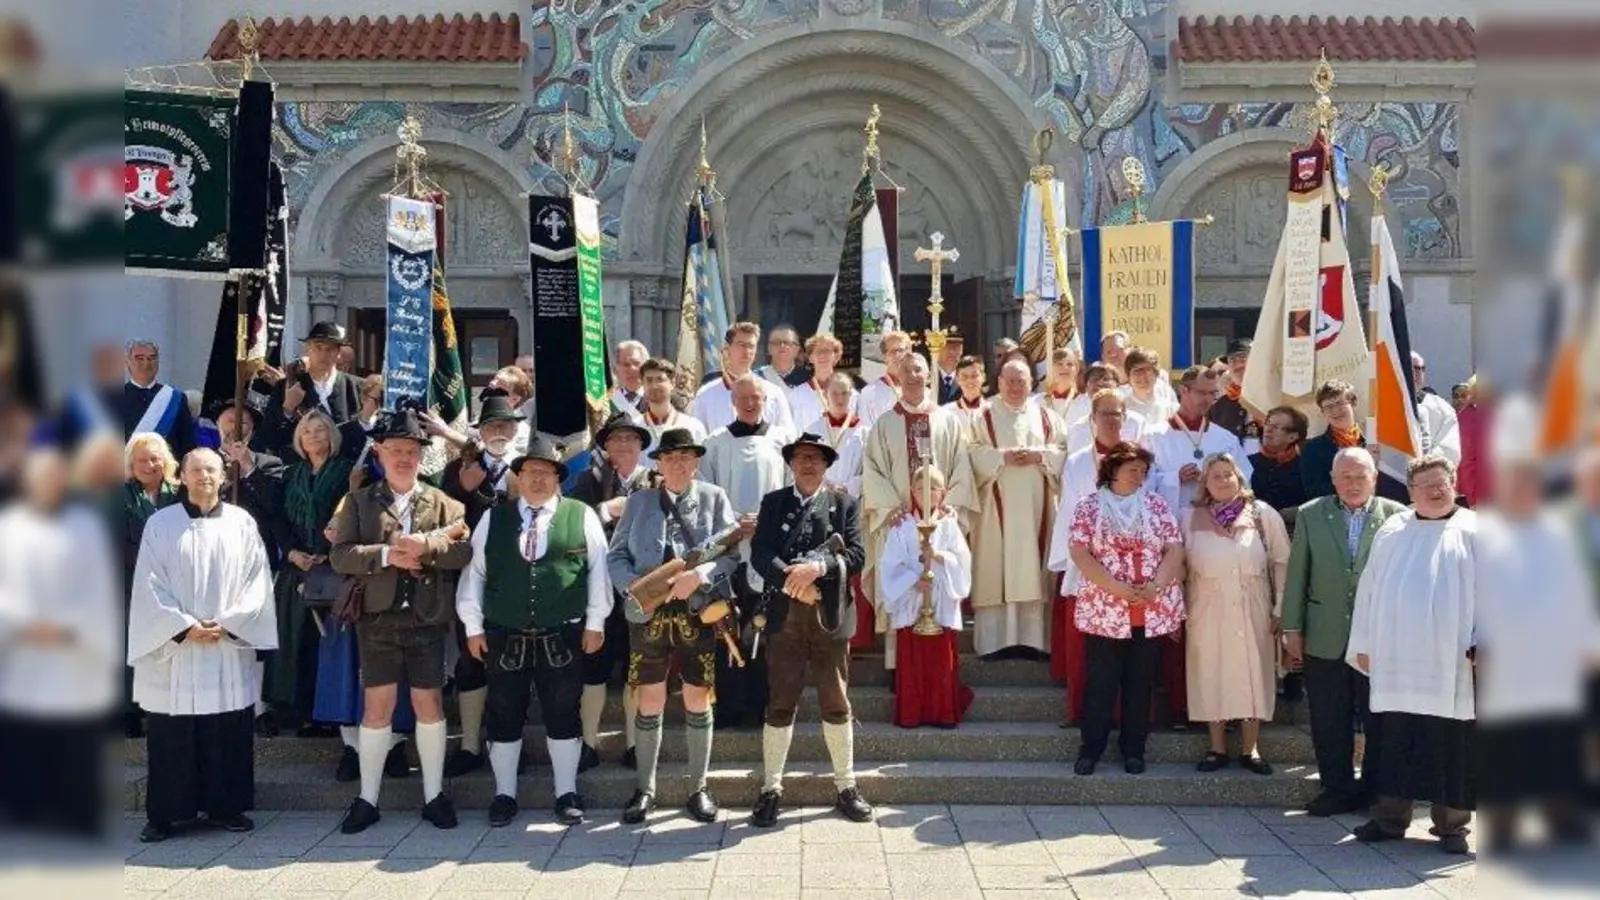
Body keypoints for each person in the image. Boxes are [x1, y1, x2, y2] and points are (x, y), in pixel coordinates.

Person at [455, 436, 612, 827]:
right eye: (530, 472)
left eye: (546, 473)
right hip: (504, 633)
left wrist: (596, 622)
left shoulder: (582, 515)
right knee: (504, 711)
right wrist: (473, 627)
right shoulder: (494, 518)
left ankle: (566, 793)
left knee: (563, 711)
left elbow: (599, 572)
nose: (538, 479)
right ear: (519, 477)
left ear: (558, 478)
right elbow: (473, 575)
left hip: (563, 633)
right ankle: (504, 795)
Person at [330, 410, 472, 835]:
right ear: (379, 453)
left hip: (427, 619)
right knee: (378, 707)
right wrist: (389, 555)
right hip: (375, 619)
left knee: (428, 704)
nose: (404, 458)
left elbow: (463, 553)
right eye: (395, 451)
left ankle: (434, 796)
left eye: (411, 451)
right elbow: (340, 556)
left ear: (420, 456)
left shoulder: (445, 502)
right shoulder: (357, 501)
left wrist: (426, 546)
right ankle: (367, 799)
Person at [127, 448, 277, 843]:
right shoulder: (161, 524)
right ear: (183, 477)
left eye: (211, 469)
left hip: (225, 643)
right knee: (171, 735)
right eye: (195, 470)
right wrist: (183, 627)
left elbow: (257, 581)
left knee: (224, 728)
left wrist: (227, 623)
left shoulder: (242, 523)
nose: (204, 476)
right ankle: (165, 814)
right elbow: (148, 583)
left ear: (223, 476)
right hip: (176, 649)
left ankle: (225, 807)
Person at [1476, 400, 1599, 851]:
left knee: (1557, 741)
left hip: (1555, 655)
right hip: (1508, 656)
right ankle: (1504, 823)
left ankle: (1561, 815)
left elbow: (1575, 593)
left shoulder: (1556, 532)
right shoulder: (1486, 533)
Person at [606, 428, 740, 824]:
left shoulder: (715, 498)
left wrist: (698, 577)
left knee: (698, 696)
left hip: (696, 610)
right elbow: (615, 556)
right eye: (670, 458)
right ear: (659, 463)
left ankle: (698, 787)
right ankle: (645, 789)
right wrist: (631, 586)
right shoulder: (639, 501)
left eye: (686, 457)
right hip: (649, 612)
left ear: (696, 462)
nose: (679, 464)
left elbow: (731, 554)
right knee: (650, 698)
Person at [1346, 455, 1477, 854]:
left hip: (1452, 659)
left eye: (1442, 483)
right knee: (1393, 740)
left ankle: (1452, 826)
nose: (1436, 490)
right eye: (1427, 485)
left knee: (1452, 743)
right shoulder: (1393, 529)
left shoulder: (1477, 531)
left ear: (1453, 483)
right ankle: (1390, 818)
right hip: (1396, 658)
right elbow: (1369, 587)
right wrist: (1363, 643)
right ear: (1410, 492)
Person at [748, 434, 871, 826]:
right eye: (801, 457)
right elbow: (761, 552)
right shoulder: (774, 503)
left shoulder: (844, 504)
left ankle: (846, 786)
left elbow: (856, 554)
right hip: (785, 617)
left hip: (829, 614)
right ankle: (771, 788)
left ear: (826, 464)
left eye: (816, 458)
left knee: (836, 701)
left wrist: (818, 570)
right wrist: (792, 582)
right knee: (781, 701)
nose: (808, 464)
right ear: (791, 463)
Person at [0, 449, 121, 836]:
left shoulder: (85, 527)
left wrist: (67, 626)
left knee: (74, 734)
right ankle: (27, 809)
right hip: (23, 645)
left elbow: (98, 583)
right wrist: (25, 624)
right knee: (26, 730)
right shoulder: (11, 527)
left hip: (72, 644)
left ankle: (76, 810)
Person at [1281, 447, 1405, 817]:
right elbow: (1297, 575)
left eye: (1360, 476)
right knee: (1328, 717)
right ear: (1333, 479)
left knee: (1378, 718)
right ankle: (1335, 788)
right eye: (1345, 477)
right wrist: (1292, 627)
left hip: (1378, 638)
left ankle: (1374, 790)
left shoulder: (1398, 517)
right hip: (1324, 634)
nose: (1353, 483)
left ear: (1374, 478)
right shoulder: (1311, 514)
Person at [1067, 441, 1186, 775]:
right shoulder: (1090, 506)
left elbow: (1174, 549)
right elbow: (1079, 552)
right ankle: (1090, 749)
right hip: (1105, 608)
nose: (1139, 475)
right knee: (1101, 683)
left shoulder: (1156, 504)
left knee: (1140, 682)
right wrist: (1116, 587)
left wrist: (1156, 586)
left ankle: (1134, 749)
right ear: (1114, 468)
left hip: (1150, 605)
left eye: (1143, 470)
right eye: (1133, 468)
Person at [862, 352, 976, 675]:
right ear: (896, 375)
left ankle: (939, 674)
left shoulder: (947, 420)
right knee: (902, 586)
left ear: (929, 376)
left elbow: (961, 468)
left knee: (936, 588)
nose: (912, 375)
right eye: (905, 370)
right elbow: (872, 471)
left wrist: (950, 505)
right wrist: (890, 508)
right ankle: (898, 670)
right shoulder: (884, 424)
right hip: (900, 523)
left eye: (918, 370)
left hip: (938, 525)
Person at [1183, 453, 1290, 775]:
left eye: (1228, 474)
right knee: (1210, 672)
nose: (1223, 481)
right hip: (1206, 605)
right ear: (1205, 483)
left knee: (1252, 672)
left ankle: (1250, 748)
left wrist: (1280, 606)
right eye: (1215, 475)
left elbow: (1283, 561)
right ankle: (1216, 748)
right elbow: (1178, 566)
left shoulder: (1261, 514)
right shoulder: (1189, 518)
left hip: (1253, 603)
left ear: (1239, 478)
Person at [700, 374, 795, 726]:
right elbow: (706, 497)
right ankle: (727, 706)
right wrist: (734, 525)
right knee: (725, 626)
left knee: (764, 628)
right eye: (744, 398)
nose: (750, 403)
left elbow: (790, 494)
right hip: (728, 550)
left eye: (756, 397)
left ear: (766, 399)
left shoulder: (784, 441)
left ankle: (760, 706)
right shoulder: (715, 444)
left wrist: (766, 522)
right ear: (733, 401)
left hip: (768, 550)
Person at [568, 413, 657, 770]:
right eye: (617, 439)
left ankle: (635, 744)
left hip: (641, 588)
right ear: (605, 445)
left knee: (637, 666)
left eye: (631, 440)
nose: (623, 445)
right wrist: (605, 510)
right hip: (597, 587)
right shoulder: (587, 481)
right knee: (594, 667)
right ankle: (588, 743)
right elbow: (570, 523)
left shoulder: (654, 481)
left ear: (640, 446)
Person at [1046, 389, 1139, 722]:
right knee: (1087, 651)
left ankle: (1123, 716)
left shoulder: (1136, 459)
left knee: (1125, 652)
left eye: (1118, 414)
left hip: (1128, 569)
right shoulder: (1077, 461)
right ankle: (1085, 714)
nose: (1112, 421)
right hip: (1088, 565)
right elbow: (1072, 514)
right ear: (1092, 419)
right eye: (1106, 414)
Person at [969, 358, 1067, 660]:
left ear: (1031, 383)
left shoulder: (1049, 418)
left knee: (1033, 568)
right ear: (998, 382)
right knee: (997, 569)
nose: (1014, 386)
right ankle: (994, 643)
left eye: (1021, 380)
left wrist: (1040, 456)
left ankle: (1034, 642)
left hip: (1039, 509)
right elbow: (970, 452)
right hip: (995, 512)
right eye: (1009, 380)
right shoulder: (981, 417)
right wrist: (1001, 458)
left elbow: (1063, 452)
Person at [267, 411, 354, 738]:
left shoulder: (348, 473)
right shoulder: (291, 474)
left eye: (321, 431)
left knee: (326, 642)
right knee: (294, 642)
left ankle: (327, 713)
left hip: (333, 569)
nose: (315, 436)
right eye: (308, 432)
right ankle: (296, 710)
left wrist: (329, 552)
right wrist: (291, 552)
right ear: (299, 440)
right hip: (296, 568)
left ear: (331, 436)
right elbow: (278, 518)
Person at [877, 464, 973, 728]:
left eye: (933, 487)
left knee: (941, 661)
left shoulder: (949, 525)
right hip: (912, 598)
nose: (927, 493)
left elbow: (962, 561)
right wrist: (912, 580)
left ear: (942, 492)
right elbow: (890, 564)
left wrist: (940, 557)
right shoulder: (902, 527)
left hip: (940, 597)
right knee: (914, 661)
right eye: (921, 488)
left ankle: (943, 712)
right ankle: (912, 713)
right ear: (912, 491)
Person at [117, 432, 181, 737]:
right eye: (141, 459)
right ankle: (128, 710)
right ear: (131, 463)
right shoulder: (118, 495)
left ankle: (160, 702)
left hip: (173, 581)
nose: (148, 465)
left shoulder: (180, 493)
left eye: (155, 458)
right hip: (130, 581)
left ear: (165, 461)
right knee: (131, 644)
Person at [1148, 366, 1250, 514]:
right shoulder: (1153, 436)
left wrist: (1214, 479)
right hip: (1170, 524)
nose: (1208, 399)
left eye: (1213, 394)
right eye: (1202, 393)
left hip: (1214, 524)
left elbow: (1244, 480)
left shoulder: (1225, 438)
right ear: (1183, 390)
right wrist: (1175, 478)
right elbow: (1141, 482)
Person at [260, 323, 363, 461]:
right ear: (308, 349)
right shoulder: (284, 387)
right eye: (318, 347)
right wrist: (288, 408)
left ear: (339, 353)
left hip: (346, 468)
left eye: (330, 349)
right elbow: (269, 437)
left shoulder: (357, 386)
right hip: (300, 470)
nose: (323, 354)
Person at [1299, 380, 1408, 503]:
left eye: (1340, 403)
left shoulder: (1375, 443)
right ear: (1322, 412)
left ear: (1353, 403)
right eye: (1328, 407)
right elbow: (1315, 493)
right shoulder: (1313, 449)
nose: (1335, 411)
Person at [211, 400, 284, 560]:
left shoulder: (269, 463)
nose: (235, 427)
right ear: (218, 424)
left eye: (243, 422)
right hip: (213, 549)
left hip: (255, 551)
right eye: (230, 421)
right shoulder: (202, 461)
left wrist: (248, 467)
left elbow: (274, 504)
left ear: (252, 430)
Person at [690, 323, 795, 433]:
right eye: (741, 345)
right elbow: (697, 438)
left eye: (751, 346)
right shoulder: (706, 395)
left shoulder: (773, 393)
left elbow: (787, 436)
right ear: (727, 348)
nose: (747, 351)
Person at [115, 340, 196, 458]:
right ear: (127, 362)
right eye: (139, 358)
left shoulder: (175, 398)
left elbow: (187, 444)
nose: (146, 363)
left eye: (152, 358)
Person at [1248, 405, 1309, 525]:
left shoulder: (1306, 467)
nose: (1268, 429)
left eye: (1276, 427)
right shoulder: (1247, 463)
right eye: (1268, 423)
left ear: (1293, 436)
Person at [1209, 339, 1262, 455]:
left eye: (1243, 359)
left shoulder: (1269, 396)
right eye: (1232, 360)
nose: (1238, 365)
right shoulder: (1220, 405)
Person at [789, 333, 851, 430]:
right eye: (818, 351)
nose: (822, 355)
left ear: (836, 356)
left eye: (827, 351)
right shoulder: (797, 395)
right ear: (810, 358)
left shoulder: (850, 394)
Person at [1409, 351, 1462, 466]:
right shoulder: (1383, 404)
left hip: (1429, 475)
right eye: (1414, 368)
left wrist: (1424, 463)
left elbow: (1450, 449)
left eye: (1422, 369)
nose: (1418, 373)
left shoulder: (1442, 408)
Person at [857, 331, 915, 430]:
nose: (898, 356)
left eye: (902, 350)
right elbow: (866, 435)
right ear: (884, 357)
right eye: (893, 351)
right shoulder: (869, 394)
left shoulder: (922, 391)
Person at [1122, 347, 1178, 427]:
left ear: (1156, 375)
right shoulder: (1121, 409)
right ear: (1129, 377)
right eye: (1136, 370)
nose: (1142, 375)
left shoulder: (1170, 409)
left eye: (1147, 370)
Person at [757, 324, 810, 395]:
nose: (782, 346)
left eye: (788, 342)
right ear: (768, 348)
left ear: (797, 349)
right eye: (777, 342)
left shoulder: (808, 380)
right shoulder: (756, 377)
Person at [943, 355, 987, 428]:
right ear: (957, 380)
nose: (969, 380)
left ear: (984, 377)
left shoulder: (993, 410)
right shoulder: (946, 412)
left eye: (974, 376)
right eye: (964, 376)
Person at [610, 340, 649, 421]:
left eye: (636, 363)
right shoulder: (609, 401)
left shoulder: (657, 399)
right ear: (617, 367)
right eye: (626, 364)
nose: (632, 369)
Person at [1040, 347, 1082, 422]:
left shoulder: (1086, 402)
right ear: (1050, 368)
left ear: (1077, 369)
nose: (1065, 367)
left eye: (1069, 364)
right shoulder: (1036, 403)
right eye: (1059, 364)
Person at [935, 332, 965, 405]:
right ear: (936, 350)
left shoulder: (966, 381)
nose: (952, 351)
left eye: (956, 347)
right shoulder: (927, 380)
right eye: (946, 347)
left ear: (961, 351)